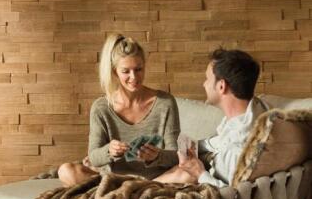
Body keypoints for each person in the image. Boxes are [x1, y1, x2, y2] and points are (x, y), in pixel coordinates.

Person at [58, 33, 181, 186]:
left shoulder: (165, 103)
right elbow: (94, 157)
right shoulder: (101, 107)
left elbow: (176, 156)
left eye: (138, 69)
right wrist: (109, 151)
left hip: (156, 179)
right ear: (114, 71)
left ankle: (132, 189)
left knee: (188, 172)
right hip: (113, 179)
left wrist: (157, 156)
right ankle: (131, 189)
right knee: (66, 171)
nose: (134, 77)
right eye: (126, 71)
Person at [155, 48, 267, 187]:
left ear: (221, 86)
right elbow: (219, 142)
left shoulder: (238, 147)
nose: (204, 84)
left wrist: (200, 173)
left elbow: (233, 195)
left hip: (213, 193)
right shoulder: (248, 116)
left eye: (207, 79)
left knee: (185, 175)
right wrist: (193, 146)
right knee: (181, 172)